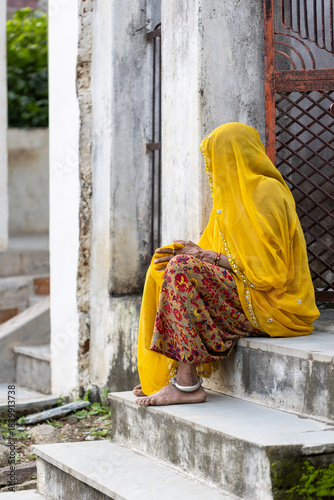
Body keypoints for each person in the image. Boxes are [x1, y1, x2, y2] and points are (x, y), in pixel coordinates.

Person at [134, 122, 320, 407]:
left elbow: (272, 272)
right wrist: (194, 253)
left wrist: (209, 258)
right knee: (167, 264)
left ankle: (187, 386)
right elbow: (222, 251)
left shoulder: (267, 192)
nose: (212, 167)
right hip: (247, 292)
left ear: (236, 155)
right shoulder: (228, 198)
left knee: (182, 269)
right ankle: (174, 375)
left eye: (217, 157)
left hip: (276, 305)